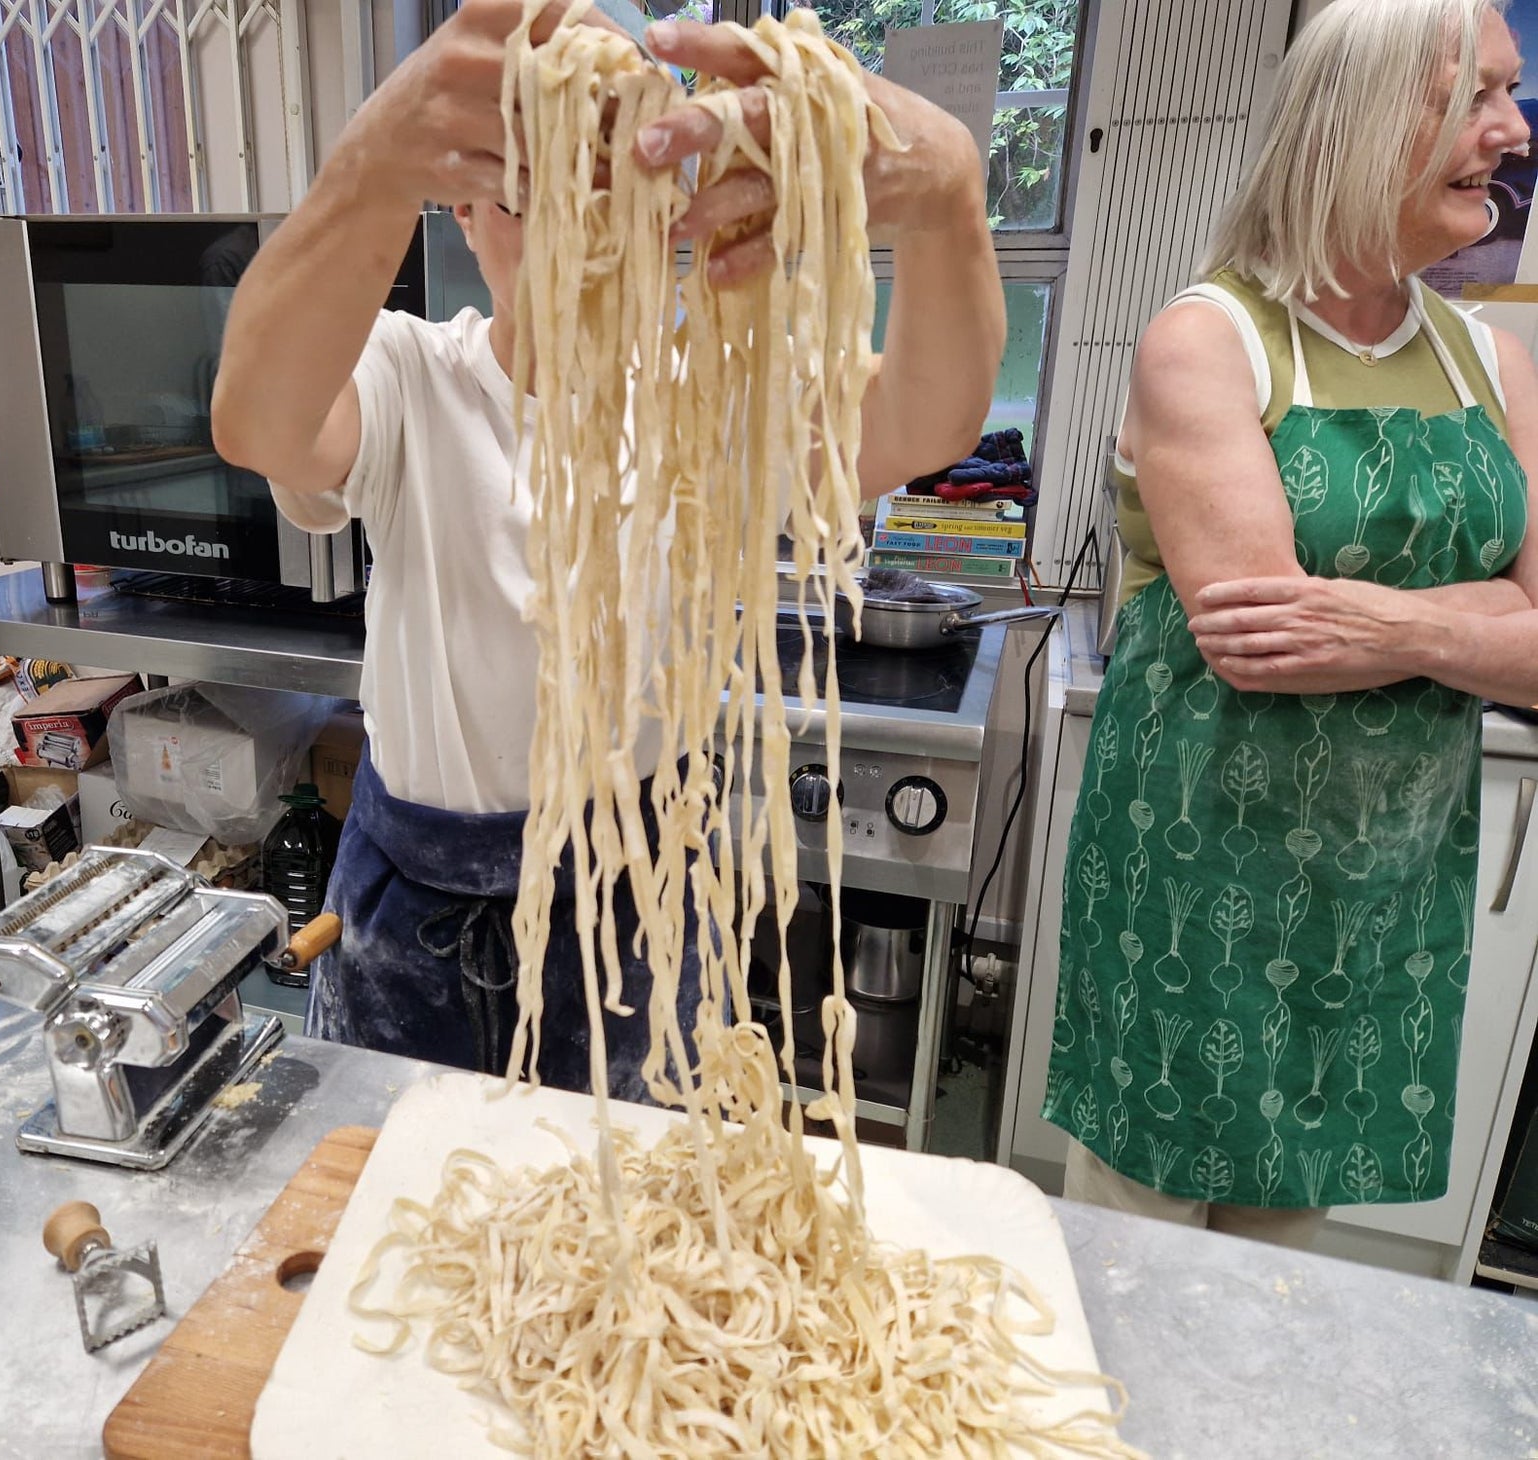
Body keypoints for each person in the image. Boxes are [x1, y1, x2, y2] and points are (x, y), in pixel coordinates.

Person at [211, 0, 1005, 1098]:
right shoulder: (406, 375)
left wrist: (950, 195)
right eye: (529, 190)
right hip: (411, 910)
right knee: (393, 1186)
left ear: (668, 204)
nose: (575, 232)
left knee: (626, 1195)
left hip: (640, 916)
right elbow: (260, 421)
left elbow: (926, 417)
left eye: (608, 188)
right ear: (462, 202)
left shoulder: (711, 395)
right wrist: (370, 165)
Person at [1046, 0, 1538, 1247]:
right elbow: (1259, 644)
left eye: (1508, 91)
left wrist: (1385, 627)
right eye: (1474, 94)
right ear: (1360, 119)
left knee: (1283, 1259)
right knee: (1137, 1246)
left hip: (1380, 883)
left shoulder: (1493, 363)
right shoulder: (1206, 341)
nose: (1512, 129)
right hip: (1192, 870)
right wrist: (1484, 615)